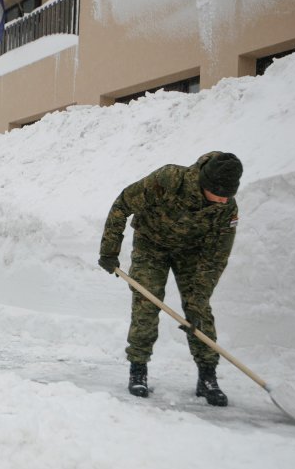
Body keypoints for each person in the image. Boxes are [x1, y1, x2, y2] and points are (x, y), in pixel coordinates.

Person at [97, 151, 243, 407]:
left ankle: (207, 375)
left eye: (228, 195)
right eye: (219, 193)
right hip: (150, 244)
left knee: (199, 308)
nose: (223, 200)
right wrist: (109, 250)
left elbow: (216, 257)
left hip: (192, 252)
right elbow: (122, 204)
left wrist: (199, 296)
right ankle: (138, 369)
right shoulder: (169, 179)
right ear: (205, 183)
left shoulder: (226, 208)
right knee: (146, 302)